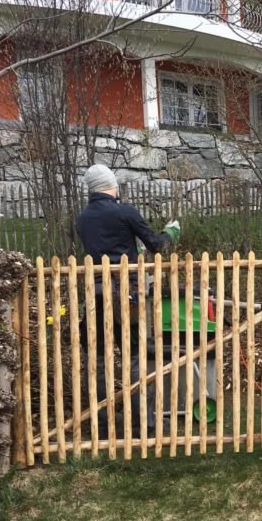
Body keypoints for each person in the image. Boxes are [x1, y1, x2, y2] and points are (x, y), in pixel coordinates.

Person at [76, 164, 180, 439]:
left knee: (98, 358)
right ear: (111, 185)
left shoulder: (82, 218)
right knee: (135, 357)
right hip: (126, 296)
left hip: (96, 295)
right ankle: (142, 424)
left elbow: (107, 248)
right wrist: (171, 232)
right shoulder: (124, 211)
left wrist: (134, 250)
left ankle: (101, 422)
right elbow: (156, 244)